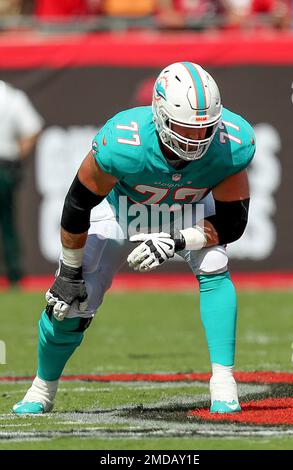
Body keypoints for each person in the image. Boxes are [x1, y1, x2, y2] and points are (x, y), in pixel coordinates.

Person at [13, 62, 255, 415]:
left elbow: (233, 222)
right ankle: (42, 388)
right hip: (121, 206)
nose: (196, 139)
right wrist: (68, 272)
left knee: (215, 260)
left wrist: (176, 241)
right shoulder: (125, 141)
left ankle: (224, 381)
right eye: (185, 128)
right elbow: (78, 203)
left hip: (188, 207)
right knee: (73, 298)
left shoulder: (232, 143)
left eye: (204, 130)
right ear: (159, 115)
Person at [0, 81, 44, 286]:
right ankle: (14, 273)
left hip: (5, 164)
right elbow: (33, 128)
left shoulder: (12, 96)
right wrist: (18, 157)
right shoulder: (11, 96)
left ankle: (15, 272)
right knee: (7, 222)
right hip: (5, 164)